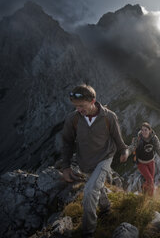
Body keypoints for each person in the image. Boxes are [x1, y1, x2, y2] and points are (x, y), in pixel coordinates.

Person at [61, 84, 128, 238]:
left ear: (93, 101)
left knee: (90, 190)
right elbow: (67, 143)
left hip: (105, 158)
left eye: (82, 106)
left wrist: (124, 150)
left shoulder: (109, 117)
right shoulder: (73, 119)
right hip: (85, 162)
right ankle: (105, 208)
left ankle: (88, 231)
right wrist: (65, 167)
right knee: (96, 185)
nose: (78, 109)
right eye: (76, 106)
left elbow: (118, 138)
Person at [121, 122, 160, 196]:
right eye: (142, 130)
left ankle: (144, 188)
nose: (143, 132)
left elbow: (158, 148)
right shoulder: (138, 138)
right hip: (141, 163)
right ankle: (151, 199)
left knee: (150, 180)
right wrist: (127, 153)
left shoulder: (154, 138)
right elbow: (132, 147)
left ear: (150, 130)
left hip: (151, 162)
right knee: (150, 180)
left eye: (146, 130)